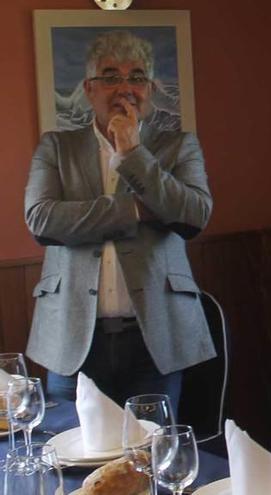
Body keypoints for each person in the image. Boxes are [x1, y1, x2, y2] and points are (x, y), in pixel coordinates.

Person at [24, 30, 215, 410]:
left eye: (137, 77)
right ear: (89, 88)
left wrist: (133, 154)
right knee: (70, 454)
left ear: (149, 88)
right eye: (111, 76)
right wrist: (134, 210)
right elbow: (42, 219)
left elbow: (195, 215)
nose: (125, 87)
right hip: (72, 341)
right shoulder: (56, 147)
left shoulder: (179, 146)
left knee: (149, 460)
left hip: (156, 341)